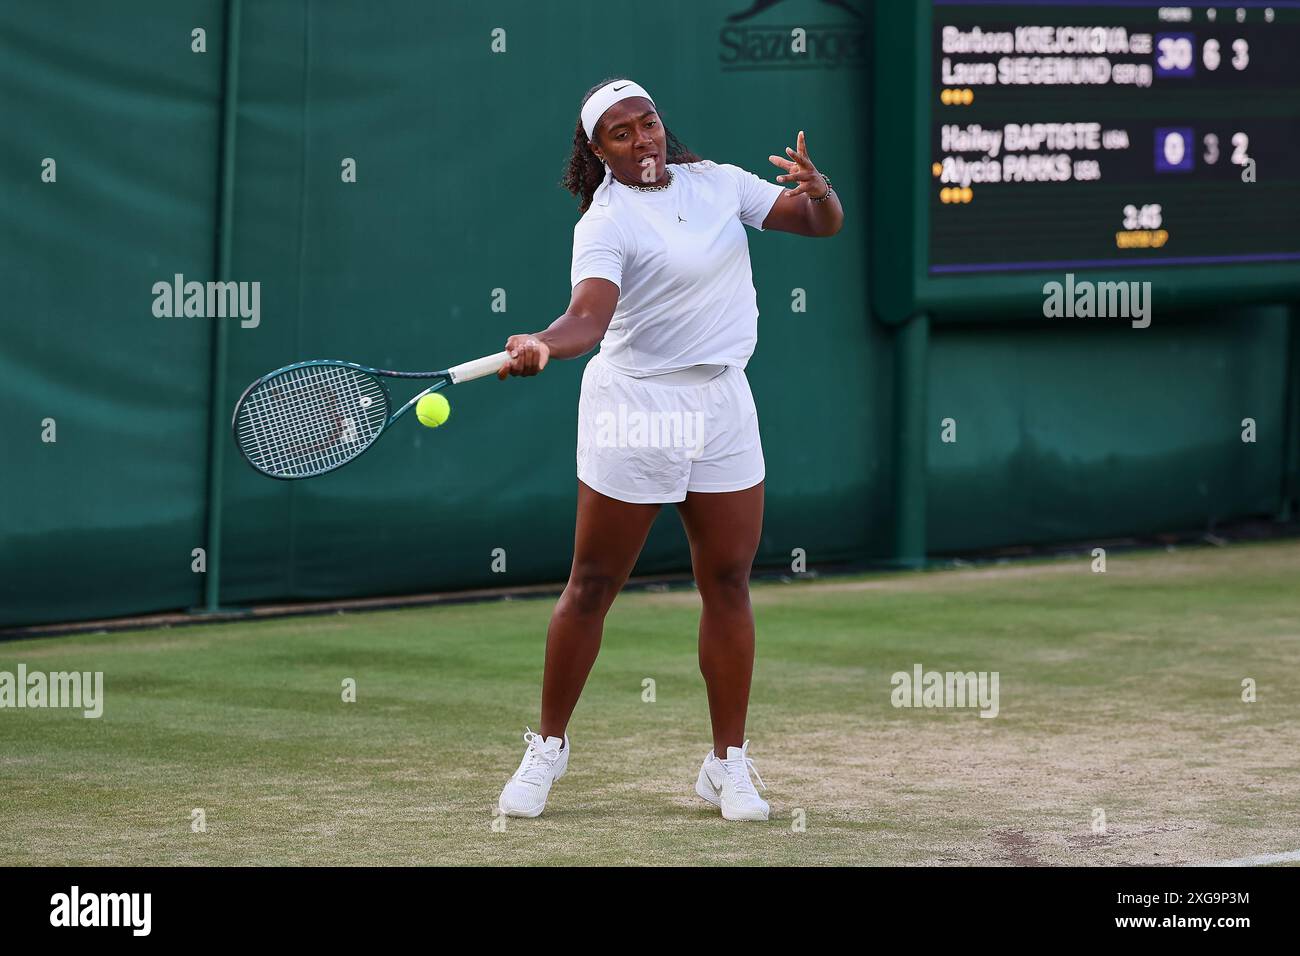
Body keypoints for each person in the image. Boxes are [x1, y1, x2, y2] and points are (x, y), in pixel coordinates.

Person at [494, 77, 843, 821]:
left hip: (722, 401)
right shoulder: (605, 223)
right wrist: (543, 346)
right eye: (621, 133)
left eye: (648, 123)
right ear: (598, 151)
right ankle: (548, 748)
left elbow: (818, 225)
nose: (643, 138)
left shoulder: (718, 184)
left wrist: (821, 191)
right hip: (639, 405)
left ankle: (728, 766)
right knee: (592, 584)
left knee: (728, 580)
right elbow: (586, 319)